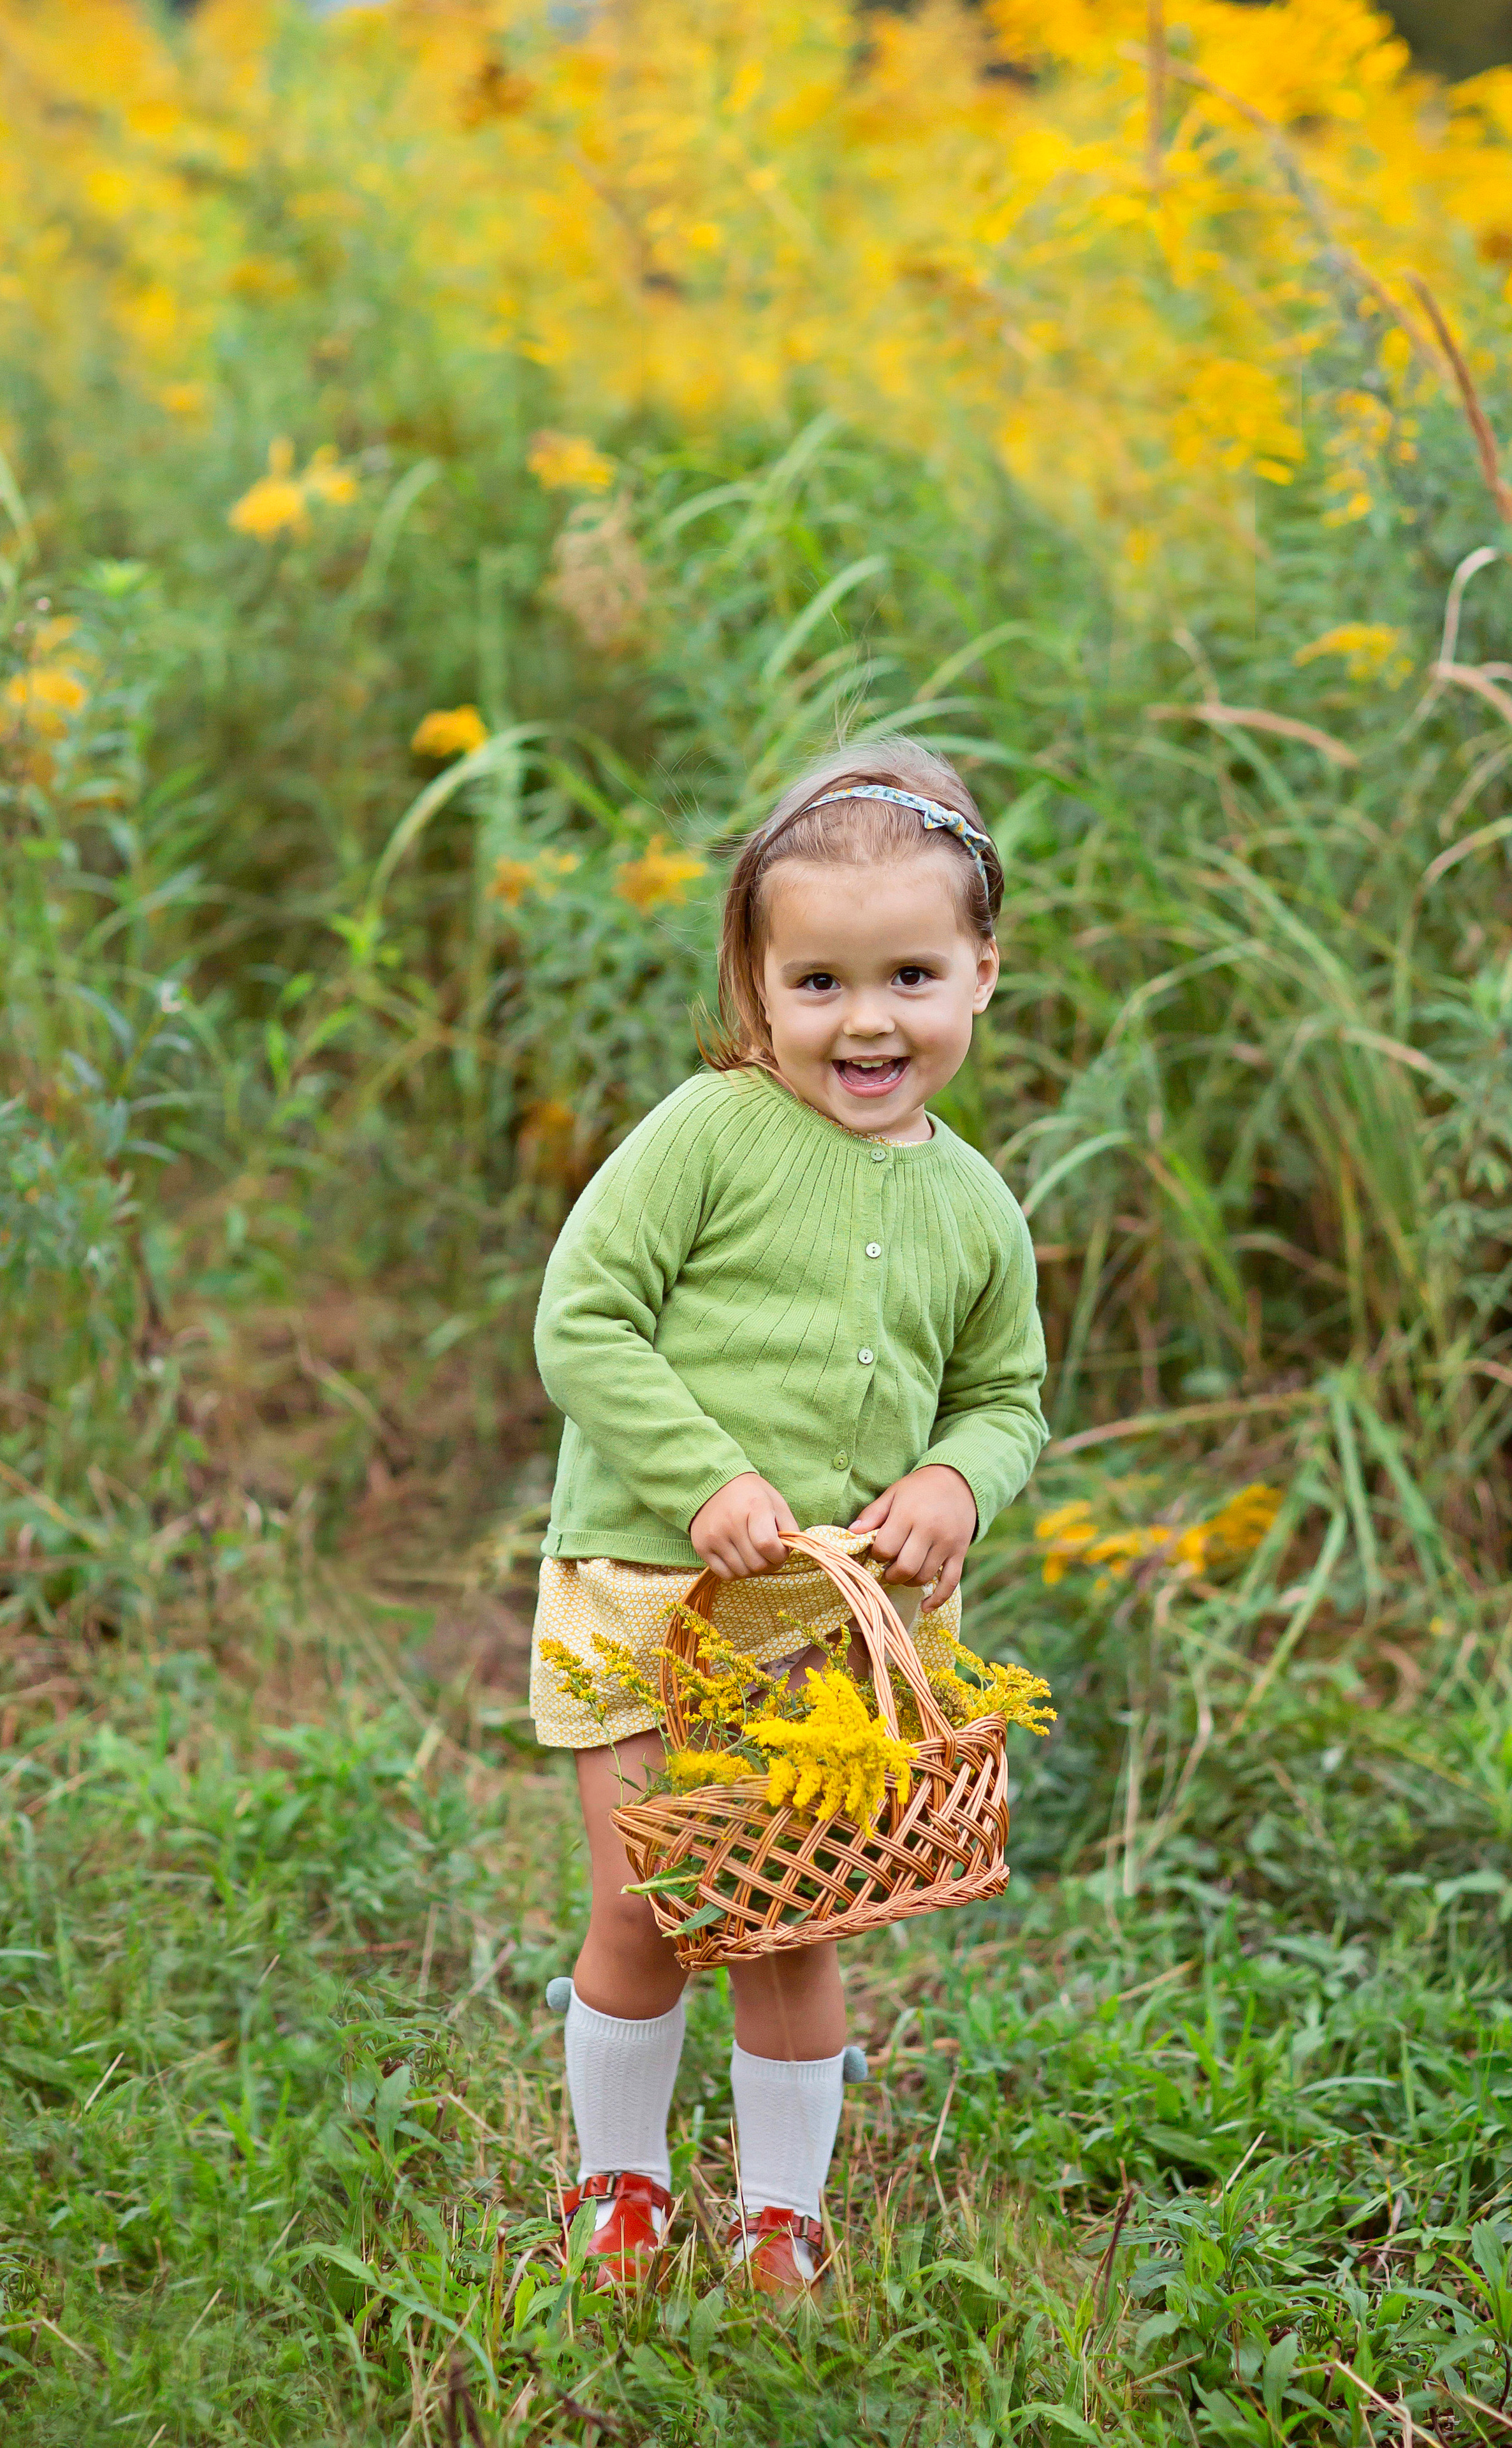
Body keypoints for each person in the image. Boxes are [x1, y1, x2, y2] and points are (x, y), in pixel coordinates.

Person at [529, 738, 1048, 2299]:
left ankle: (779, 2215)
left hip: (839, 1632)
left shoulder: (977, 1207)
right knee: (650, 1904)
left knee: (791, 1923)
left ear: (979, 973)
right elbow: (583, 1315)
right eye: (815, 982)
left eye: (907, 973)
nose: (866, 1019)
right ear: (755, 985)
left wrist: (959, 1480)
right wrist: (706, 1479)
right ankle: (618, 2188)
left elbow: (1004, 1396)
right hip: (649, 1588)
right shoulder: (708, 1132)